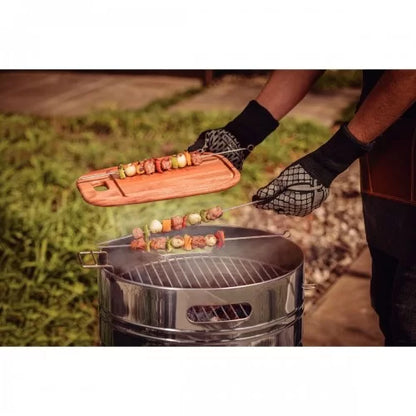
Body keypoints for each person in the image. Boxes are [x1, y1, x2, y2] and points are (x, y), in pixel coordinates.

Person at [189, 70, 416, 346]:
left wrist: (330, 160)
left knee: (408, 317)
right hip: (392, 151)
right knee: (388, 305)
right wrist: (242, 132)